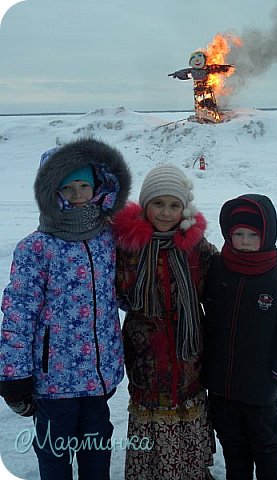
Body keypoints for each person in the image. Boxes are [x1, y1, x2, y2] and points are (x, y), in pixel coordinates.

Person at [0, 138, 132, 480]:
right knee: (54, 451)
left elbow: (117, 288)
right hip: (52, 380)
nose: (77, 193)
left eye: (84, 185)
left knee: (95, 448)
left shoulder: (106, 238)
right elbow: (18, 315)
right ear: (52, 191)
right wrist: (14, 376)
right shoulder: (37, 247)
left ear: (97, 187)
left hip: (97, 376)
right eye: (68, 186)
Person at [112, 164, 216, 480]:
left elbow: (217, 286)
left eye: (174, 205)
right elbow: (115, 291)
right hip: (146, 350)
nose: (166, 213)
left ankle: (191, 471)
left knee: (187, 402)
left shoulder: (196, 248)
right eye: (159, 203)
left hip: (188, 348)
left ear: (185, 209)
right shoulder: (128, 246)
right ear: (145, 205)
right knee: (151, 406)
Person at [202, 194, 277, 480]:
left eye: (253, 234)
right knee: (234, 450)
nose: (245, 240)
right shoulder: (215, 271)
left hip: (260, 392)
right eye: (238, 234)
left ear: (267, 235)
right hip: (221, 388)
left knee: (268, 449)